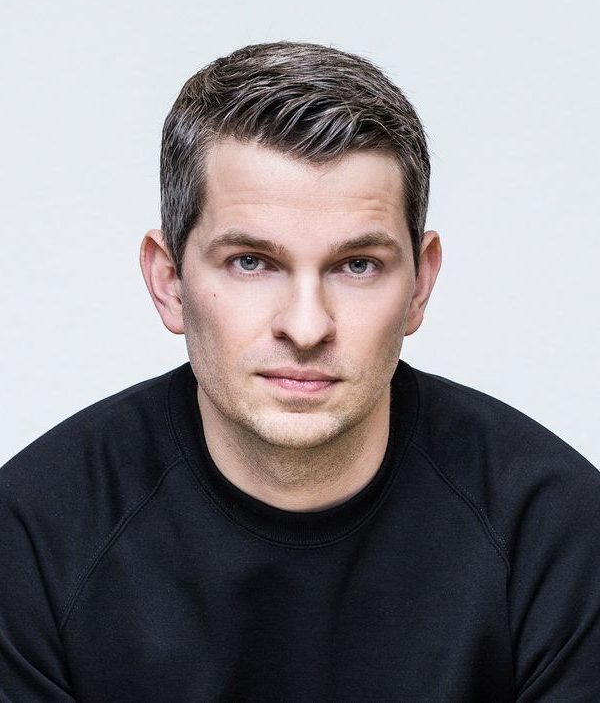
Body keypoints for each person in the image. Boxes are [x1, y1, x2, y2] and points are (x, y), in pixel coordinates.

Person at [1, 41, 598, 702]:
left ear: (420, 285)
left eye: (357, 265)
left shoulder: (557, 530)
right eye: (251, 262)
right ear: (169, 281)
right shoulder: (32, 536)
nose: (307, 327)